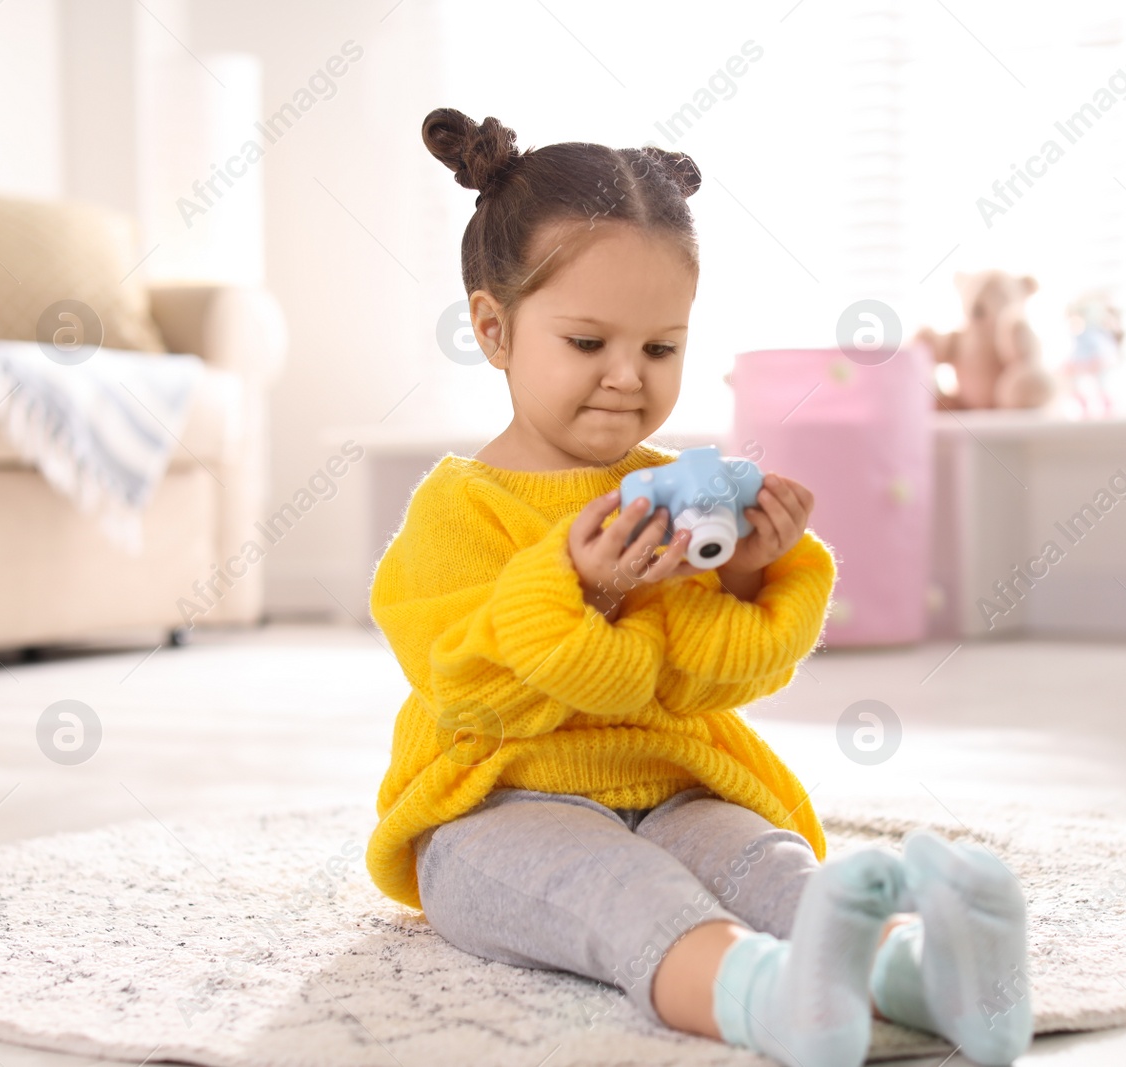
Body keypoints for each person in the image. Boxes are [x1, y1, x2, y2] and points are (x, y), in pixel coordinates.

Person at [362, 107, 1033, 1067]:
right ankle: (765, 999)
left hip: (674, 785)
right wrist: (578, 589)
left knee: (768, 865)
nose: (628, 379)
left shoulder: (671, 490)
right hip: (498, 804)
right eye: (589, 344)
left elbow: (701, 686)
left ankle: (932, 976)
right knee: (618, 891)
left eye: (660, 349)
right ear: (493, 328)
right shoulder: (453, 513)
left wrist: (752, 572)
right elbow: (467, 687)